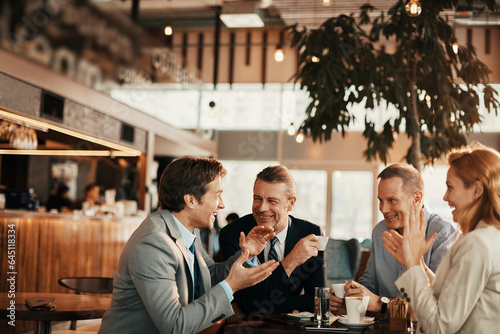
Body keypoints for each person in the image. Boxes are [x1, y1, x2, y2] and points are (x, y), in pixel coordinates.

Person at [98, 156, 279, 334]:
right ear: (190, 200)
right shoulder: (154, 243)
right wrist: (231, 286)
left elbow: (210, 275)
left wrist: (247, 255)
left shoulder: (188, 230)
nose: (222, 205)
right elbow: (174, 326)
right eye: (217, 195)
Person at [394, 143, 500, 333]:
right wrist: (421, 266)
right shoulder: (489, 237)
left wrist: (413, 266)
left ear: (476, 190)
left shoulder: (477, 243)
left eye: (450, 187)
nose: (444, 197)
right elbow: (455, 295)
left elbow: (439, 326)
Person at [330, 163, 456, 315]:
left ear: (417, 198)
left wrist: (379, 303)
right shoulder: (379, 231)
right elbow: (370, 284)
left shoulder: (443, 233)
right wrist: (351, 296)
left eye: (392, 200)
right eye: (381, 200)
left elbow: (437, 301)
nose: (383, 209)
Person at [219, 165, 326, 315]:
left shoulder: (310, 233)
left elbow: (318, 301)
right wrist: (291, 261)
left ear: (291, 203)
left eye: (272, 201)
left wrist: (262, 306)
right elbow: (246, 302)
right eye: (257, 198)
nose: (262, 208)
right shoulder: (234, 234)